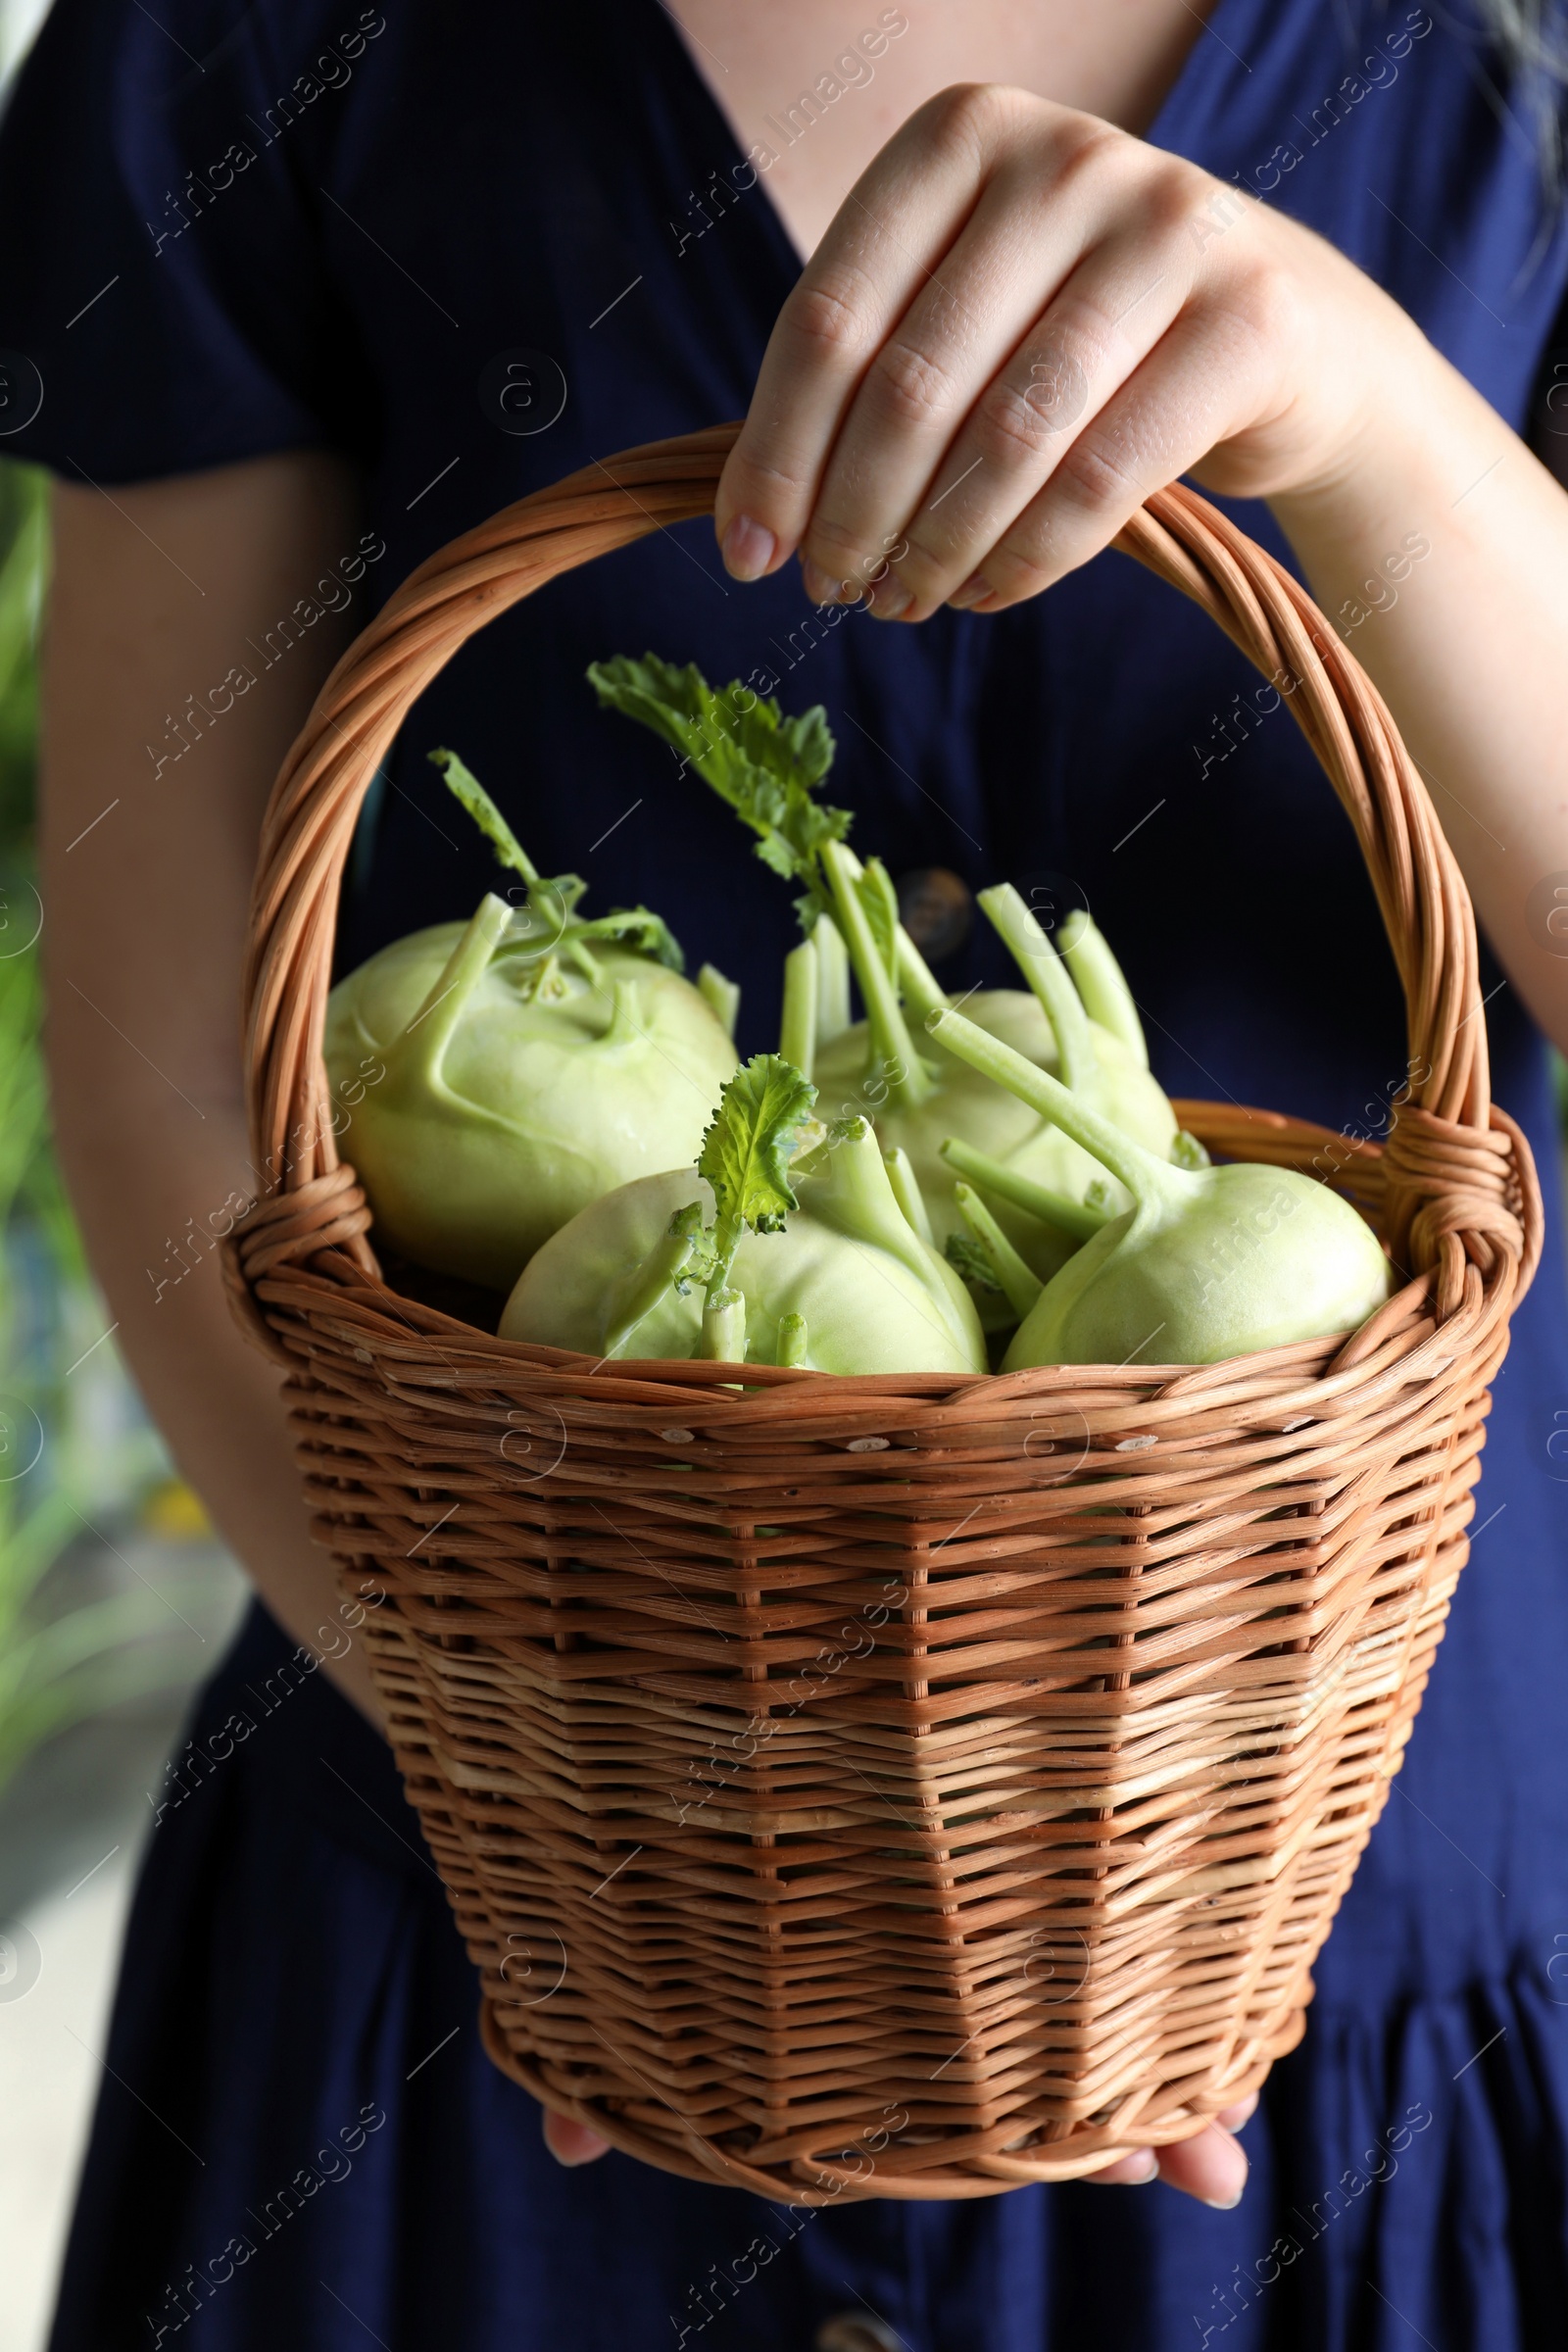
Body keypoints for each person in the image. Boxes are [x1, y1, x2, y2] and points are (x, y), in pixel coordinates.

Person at [2, 0, 1567, 2343]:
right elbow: (170, 1065)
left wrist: (1364, 425)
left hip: (1352, 1941)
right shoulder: (256, 47)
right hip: (497, 1915)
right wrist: (591, 1819)